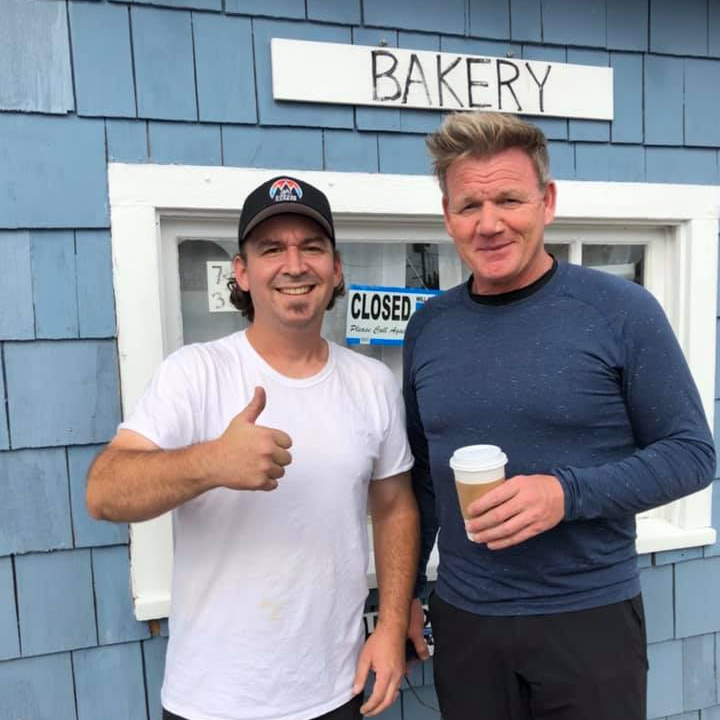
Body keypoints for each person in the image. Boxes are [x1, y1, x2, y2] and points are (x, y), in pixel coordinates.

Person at [403, 112, 716, 720]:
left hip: (588, 618)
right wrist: (410, 593)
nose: (489, 223)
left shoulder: (621, 311)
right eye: (469, 205)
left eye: (509, 199)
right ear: (447, 217)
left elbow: (691, 454)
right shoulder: (429, 327)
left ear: (546, 202)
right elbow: (422, 479)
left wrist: (564, 494)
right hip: (467, 620)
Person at [87, 175, 419, 720]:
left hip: (337, 689)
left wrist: (388, 626)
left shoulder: (371, 382)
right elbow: (105, 492)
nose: (294, 264)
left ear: (335, 268)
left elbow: (393, 506)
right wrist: (211, 462)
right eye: (271, 249)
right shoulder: (195, 373)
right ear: (242, 271)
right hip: (215, 699)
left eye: (312, 247)